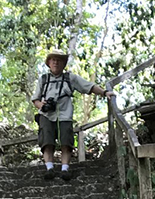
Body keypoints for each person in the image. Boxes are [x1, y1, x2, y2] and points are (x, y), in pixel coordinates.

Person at [32, 50, 113, 181]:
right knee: (46, 141)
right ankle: (49, 168)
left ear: (64, 63)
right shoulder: (43, 79)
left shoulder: (70, 78)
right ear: (48, 63)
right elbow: (35, 99)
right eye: (53, 60)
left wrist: (104, 92)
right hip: (46, 115)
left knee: (66, 141)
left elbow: (89, 86)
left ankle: (65, 169)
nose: (56, 62)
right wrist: (42, 105)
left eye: (59, 60)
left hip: (65, 114)